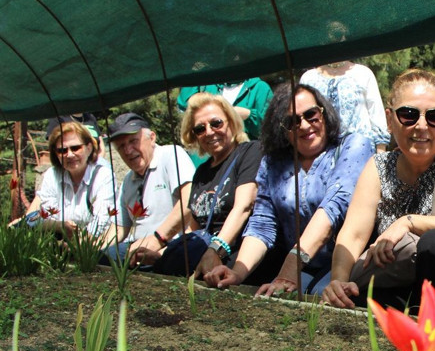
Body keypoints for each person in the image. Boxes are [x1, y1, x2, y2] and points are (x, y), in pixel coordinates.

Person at [321, 69, 435, 315]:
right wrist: (338, 281)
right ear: (390, 120)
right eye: (409, 115)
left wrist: (409, 223)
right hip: (404, 282)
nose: (421, 126)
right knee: (346, 296)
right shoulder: (378, 166)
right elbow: (352, 235)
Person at [203, 83, 372, 294]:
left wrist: (288, 270)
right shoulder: (273, 163)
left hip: (348, 262)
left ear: (324, 113)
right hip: (304, 266)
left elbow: (333, 207)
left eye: (311, 115)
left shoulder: (353, 146)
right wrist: (237, 272)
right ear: (281, 129)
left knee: (317, 298)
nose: (304, 125)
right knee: (276, 296)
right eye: (292, 121)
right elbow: (262, 224)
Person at [140, 93, 264, 277]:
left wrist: (215, 250)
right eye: (200, 129)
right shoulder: (202, 172)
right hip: (204, 252)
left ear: (231, 121)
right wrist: (161, 255)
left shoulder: (250, 152)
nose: (209, 132)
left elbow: (244, 206)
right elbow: (194, 229)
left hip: (236, 253)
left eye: (216, 123)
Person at [101, 112, 195, 265]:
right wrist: (90, 248)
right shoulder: (128, 180)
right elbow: (119, 228)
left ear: (152, 138)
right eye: (121, 146)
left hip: (172, 244)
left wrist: (157, 239)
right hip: (137, 247)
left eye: (133, 141)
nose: (128, 150)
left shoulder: (171, 154)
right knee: (102, 257)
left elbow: (189, 199)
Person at [20, 121, 115, 238]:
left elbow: (102, 221)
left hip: (95, 244)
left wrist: (80, 245)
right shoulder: (52, 176)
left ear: (89, 148)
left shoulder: (103, 175)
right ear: (55, 154)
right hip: (60, 238)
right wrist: (60, 226)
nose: (69, 155)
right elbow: (47, 216)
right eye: (62, 150)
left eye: (75, 148)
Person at [300, 61, 390, 154]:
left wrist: (381, 151)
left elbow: (376, 114)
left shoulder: (363, 73)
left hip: (360, 152)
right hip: (322, 153)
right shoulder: (308, 78)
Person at [177, 78, 273, 141]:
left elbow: (271, 132)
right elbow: (185, 103)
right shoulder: (208, 85)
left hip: (246, 159)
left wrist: (248, 115)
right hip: (209, 159)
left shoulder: (260, 87)